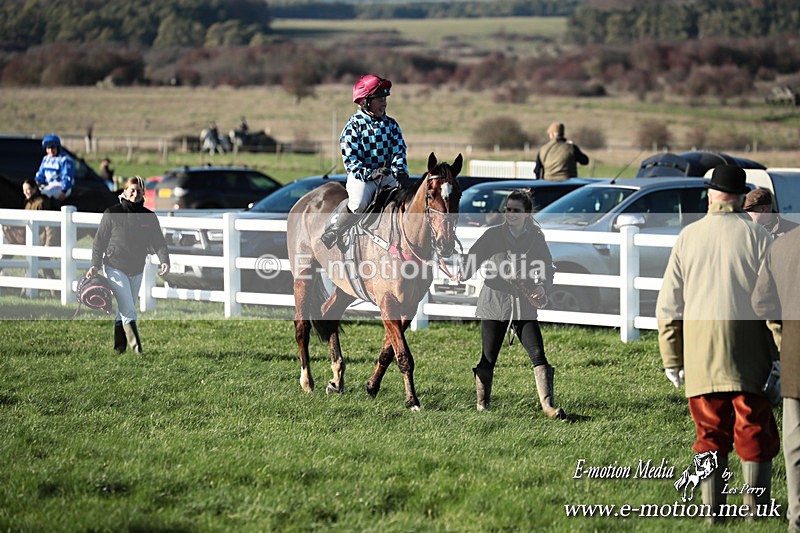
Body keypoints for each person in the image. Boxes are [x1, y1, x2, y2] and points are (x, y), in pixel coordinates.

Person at [657, 164, 779, 521]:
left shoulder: (688, 237)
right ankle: (756, 512)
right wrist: (782, 354)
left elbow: (669, 306)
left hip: (699, 357)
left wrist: (672, 358)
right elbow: (773, 307)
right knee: (754, 429)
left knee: (709, 432)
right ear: (741, 197)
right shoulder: (760, 239)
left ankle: (713, 512)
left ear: (710, 195)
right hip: (750, 358)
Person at [459, 190, 566, 419]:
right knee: (489, 357)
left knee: (538, 355)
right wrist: (463, 271)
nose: (510, 214)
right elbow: (472, 261)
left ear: (527, 213)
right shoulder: (492, 235)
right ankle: (482, 406)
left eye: (516, 210)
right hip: (494, 303)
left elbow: (547, 269)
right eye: (507, 209)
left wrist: (543, 288)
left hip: (525, 305)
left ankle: (548, 407)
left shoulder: (536, 238)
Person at [320, 74, 409, 249]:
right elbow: (351, 160)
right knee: (358, 204)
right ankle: (335, 229)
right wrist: (370, 173)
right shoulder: (353, 126)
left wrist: (400, 170)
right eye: (379, 99)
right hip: (362, 178)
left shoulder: (391, 125)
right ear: (365, 101)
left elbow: (400, 149)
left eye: (385, 98)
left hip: (387, 176)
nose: (384, 103)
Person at [752, 225, 800, 531]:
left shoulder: (783, 246)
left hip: (796, 357)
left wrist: (783, 335)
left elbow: (762, 304)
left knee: (796, 446)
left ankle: (798, 518)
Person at [87, 176, 170, 354]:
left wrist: (165, 260)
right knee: (129, 309)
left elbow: (159, 243)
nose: (135, 193)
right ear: (124, 192)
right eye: (131, 190)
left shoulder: (149, 217)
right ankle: (138, 350)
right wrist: (95, 265)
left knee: (124, 309)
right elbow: (99, 242)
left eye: (139, 191)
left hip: (137, 269)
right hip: (114, 266)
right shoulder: (112, 213)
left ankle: (119, 349)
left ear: (143, 194)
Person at [22, 178, 59, 288]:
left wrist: (48, 243)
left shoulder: (42, 203)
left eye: (28, 189)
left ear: (34, 188)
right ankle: (52, 289)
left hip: (42, 240)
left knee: (44, 264)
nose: (26, 192)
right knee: (40, 266)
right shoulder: (28, 203)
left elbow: (48, 226)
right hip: (33, 240)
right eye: (24, 190)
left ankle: (52, 288)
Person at [34, 134, 74, 203]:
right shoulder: (46, 159)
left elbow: (67, 176)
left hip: (61, 187)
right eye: (48, 148)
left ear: (58, 147)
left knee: (46, 193)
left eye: (53, 148)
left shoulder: (65, 159)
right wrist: (36, 183)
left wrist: (64, 191)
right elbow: (41, 173)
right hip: (49, 185)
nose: (51, 150)